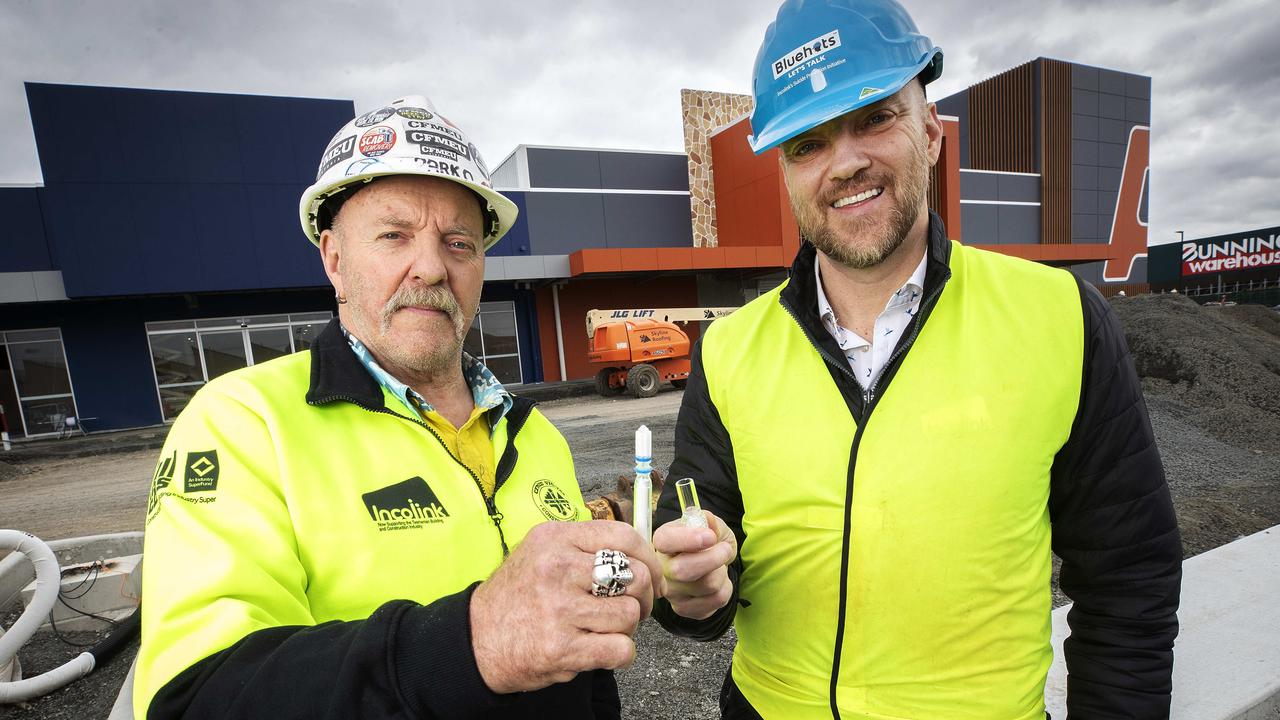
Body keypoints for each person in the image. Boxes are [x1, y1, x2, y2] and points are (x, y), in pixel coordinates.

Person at [649, 1, 1183, 718]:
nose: (845, 163)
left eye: (874, 116)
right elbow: (696, 570)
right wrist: (688, 592)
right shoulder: (731, 349)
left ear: (930, 131)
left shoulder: (1058, 317)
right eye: (807, 144)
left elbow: (1130, 581)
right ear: (785, 172)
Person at [134, 95, 663, 719]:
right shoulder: (244, 423)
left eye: (458, 243)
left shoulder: (534, 432)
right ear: (334, 259)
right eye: (394, 236)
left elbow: (578, 654)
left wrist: (651, 577)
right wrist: (472, 642)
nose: (432, 268)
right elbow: (195, 698)